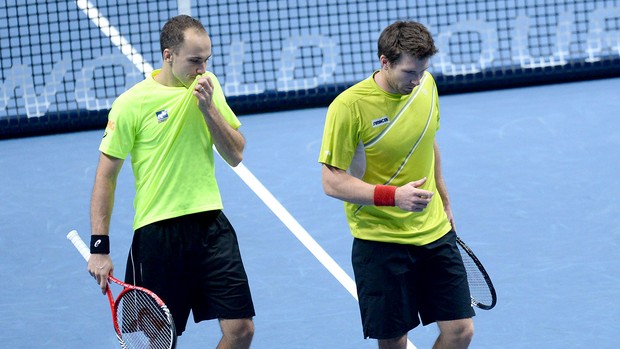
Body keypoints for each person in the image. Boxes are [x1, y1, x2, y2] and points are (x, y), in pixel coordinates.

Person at [87, 15, 255, 348]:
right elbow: (105, 177)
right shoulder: (131, 104)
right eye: (195, 61)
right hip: (157, 235)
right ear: (168, 55)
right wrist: (99, 248)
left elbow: (235, 154)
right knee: (161, 339)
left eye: (206, 59)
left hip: (210, 227)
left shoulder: (208, 87)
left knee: (241, 330)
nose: (202, 69)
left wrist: (209, 109)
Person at [318, 21, 475, 349]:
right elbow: (331, 182)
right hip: (380, 240)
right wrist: (394, 197)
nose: (416, 80)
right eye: (408, 72)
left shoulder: (426, 86)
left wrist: (444, 198)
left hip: (434, 233)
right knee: (393, 341)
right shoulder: (349, 107)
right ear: (384, 62)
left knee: (461, 330)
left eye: (422, 70)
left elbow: (427, 140)